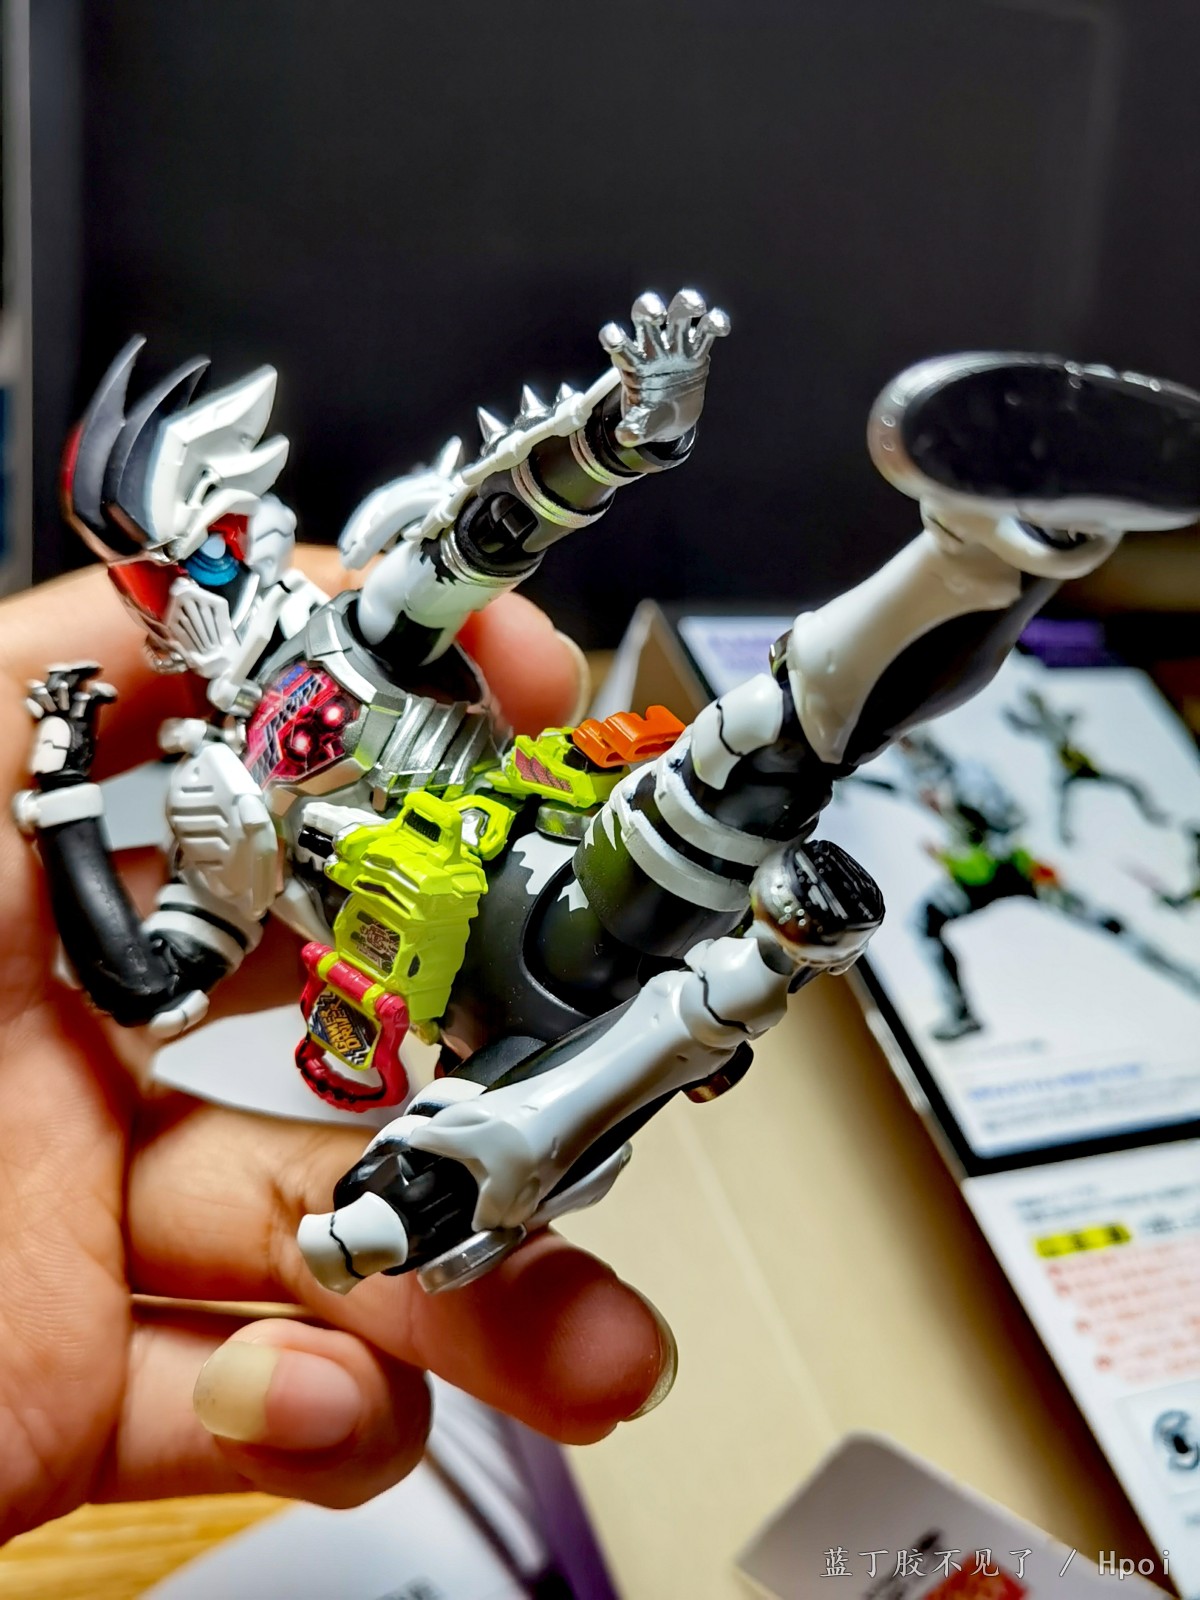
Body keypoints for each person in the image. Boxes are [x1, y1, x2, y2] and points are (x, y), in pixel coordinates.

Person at [0, 550, 674, 1543]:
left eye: (216, 561)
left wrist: (580, 471)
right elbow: (145, 982)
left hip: (520, 843)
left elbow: (473, 549)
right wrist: (62, 786)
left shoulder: (351, 630)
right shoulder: (218, 805)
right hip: (429, 966)